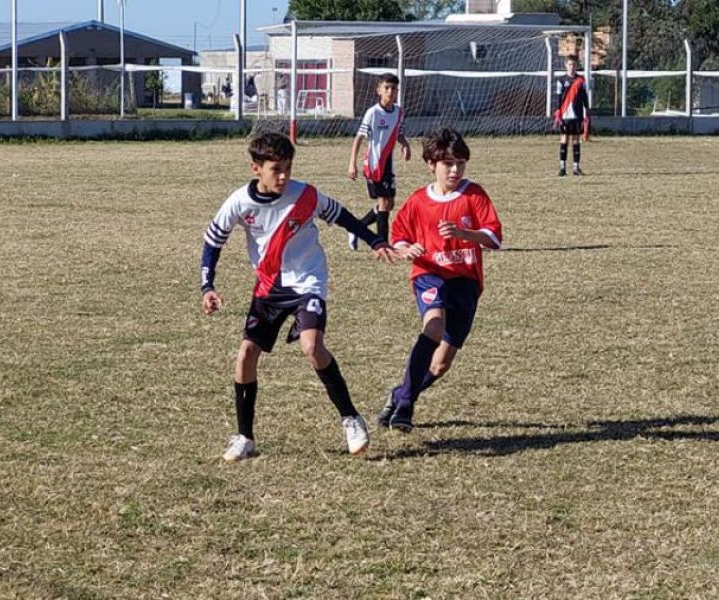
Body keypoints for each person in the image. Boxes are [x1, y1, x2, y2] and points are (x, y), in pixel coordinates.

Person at [200, 133, 396, 462]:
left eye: (288, 168)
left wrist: (375, 241)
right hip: (269, 287)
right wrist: (208, 287)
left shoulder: (305, 196)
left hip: (308, 280)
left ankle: (351, 419)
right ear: (255, 168)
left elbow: (342, 215)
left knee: (311, 346)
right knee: (246, 355)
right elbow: (212, 242)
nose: (284, 176)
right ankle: (245, 436)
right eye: (276, 169)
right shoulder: (238, 203)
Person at [377, 127, 503, 432]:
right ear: (431, 164)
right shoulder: (419, 200)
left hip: (465, 283)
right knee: (433, 327)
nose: (455, 170)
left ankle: (400, 393)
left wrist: (464, 234)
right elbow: (398, 238)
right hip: (429, 274)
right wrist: (406, 249)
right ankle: (405, 407)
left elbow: (494, 238)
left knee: (440, 364)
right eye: (448, 164)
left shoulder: (474, 194)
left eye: (460, 163)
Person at [347, 73, 412, 250]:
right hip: (374, 165)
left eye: (394, 88)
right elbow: (359, 138)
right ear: (379, 90)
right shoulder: (373, 113)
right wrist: (352, 163)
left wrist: (405, 144)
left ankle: (357, 229)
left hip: (388, 166)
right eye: (387, 88)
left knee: (389, 204)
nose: (391, 92)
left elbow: (398, 133)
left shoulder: (398, 112)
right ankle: (383, 244)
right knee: (384, 203)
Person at [554, 55, 591, 177]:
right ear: (566, 65)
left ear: (576, 66)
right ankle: (562, 168)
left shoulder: (581, 80)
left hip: (577, 114)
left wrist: (587, 111)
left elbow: (585, 97)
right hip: (565, 115)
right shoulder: (561, 80)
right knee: (564, 139)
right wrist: (558, 112)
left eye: (574, 65)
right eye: (570, 64)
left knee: (576, 140)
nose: (572, 67)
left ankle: (576, 168)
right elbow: (559, 98)